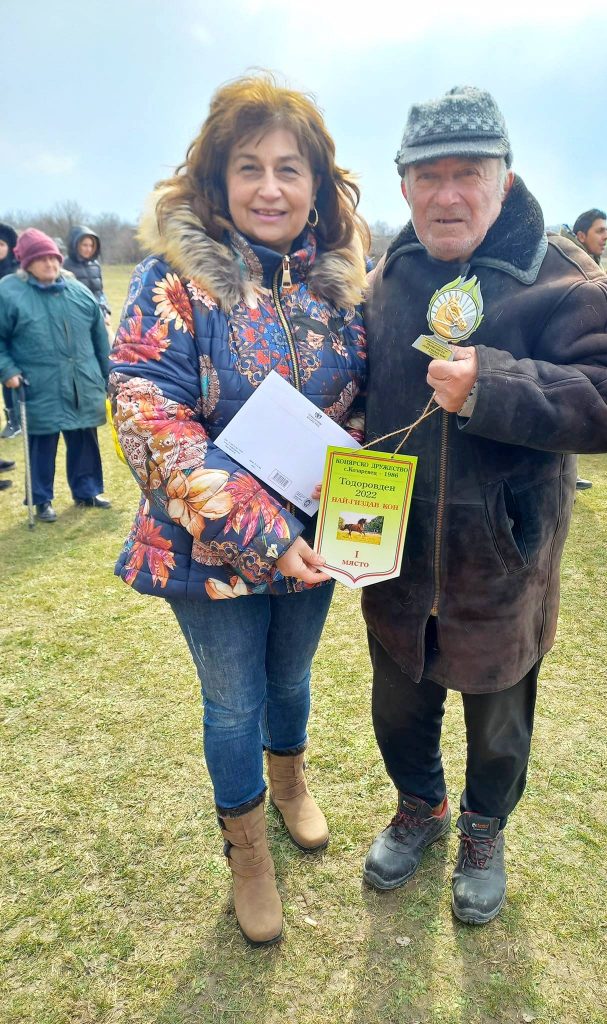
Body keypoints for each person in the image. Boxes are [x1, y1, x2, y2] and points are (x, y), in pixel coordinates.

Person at [361, 86, 607, 925]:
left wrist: (497, 383)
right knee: (399, 701)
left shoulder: (565, 278)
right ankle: (421, 807)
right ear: (404, 184)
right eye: (428, 176)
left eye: (468, 173)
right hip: (397, 554)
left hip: (503, 560)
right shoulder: (394, 270)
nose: (447, 194)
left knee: (497, 722)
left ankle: (484, 830)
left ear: (505, 177)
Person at [108, 74, 368, 947]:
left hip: (314, 540)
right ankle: (248, 855)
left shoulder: (340, 292)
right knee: (233, 706)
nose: (270, 188)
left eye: (289, 169)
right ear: (217, 182)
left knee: (292, 682)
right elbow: (149, 409)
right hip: (205, 546)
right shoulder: (172, 283)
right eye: (249, 167)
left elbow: (359, 408)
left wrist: (353, 490)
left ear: (317, 185)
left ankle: (292, 785)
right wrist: (256, 529)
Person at [0, 229, 111, 521]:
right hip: (38, 385)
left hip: (81, 382)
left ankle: (87, 491)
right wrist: (7, 370)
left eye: (53, 258)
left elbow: (100, 338)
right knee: (43, 444)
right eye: (42, 259)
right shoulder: (9, 293)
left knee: (84, 439)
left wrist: (108, 374)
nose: (50, 264)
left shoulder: (78, 291)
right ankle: (41, 500)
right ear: (27, 264)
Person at [561, 208, 607, 489]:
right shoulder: (569, 264)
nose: (606, 235)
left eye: (606, 229)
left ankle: (569, 474)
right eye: (599, 230)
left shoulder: (587, 261)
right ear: (581, 235)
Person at [64, 226, 111, 323]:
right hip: (76, 319)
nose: (88, 249)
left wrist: (105, 311)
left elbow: (99, 293)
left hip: (98, 316)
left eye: (91, 245)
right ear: (75, 245)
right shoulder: (65, 265)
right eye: (85, 245)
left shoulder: (95, 265)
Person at [0, 222, 21, 438]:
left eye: (1, 244)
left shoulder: (16, 273)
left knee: (12, 377)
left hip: (14, 334)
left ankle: (17, 420)